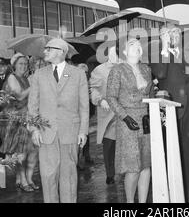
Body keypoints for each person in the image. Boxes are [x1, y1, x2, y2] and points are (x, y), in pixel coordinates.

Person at [151, 25, 189, 202]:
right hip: (170, 112)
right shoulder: (158, 55)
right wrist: (163, 47)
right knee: (171, 156)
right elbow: (160, 73)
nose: (173, 35)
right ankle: (172, 195)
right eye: (168, 33)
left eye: (176, 32)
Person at [28, 38, 89, 203]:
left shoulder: (78, 74)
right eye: (45, 49)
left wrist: (83, 131)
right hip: (46, 133)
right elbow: (32, 107)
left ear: (61, 51)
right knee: (48, 176)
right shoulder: (38, 75)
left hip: (70, 132)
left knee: (68, 176)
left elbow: (84, 106)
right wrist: (34, 129)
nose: (45, 51)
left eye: (49, 48)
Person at [106, 39, 153, 203]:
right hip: (128, 122)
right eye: (133, 46)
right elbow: (111, 97)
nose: (137, 49)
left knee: (146, 165)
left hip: (146, 120)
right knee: (133, 167)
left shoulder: (146, 69)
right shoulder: (117, 70)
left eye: (139, 47)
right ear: (125, 52)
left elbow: (151, 95)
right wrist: (125, 117)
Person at [0, 53, 39, 192]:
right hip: (14, 121)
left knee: (33, 151)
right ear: (14, 65)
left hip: (27, 118)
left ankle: (28, 178)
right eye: (20, 63)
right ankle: (23, 181)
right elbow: (20, 95)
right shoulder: (12, 78)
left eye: (25, 64)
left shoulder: (27, 79)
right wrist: (34, 84)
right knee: (21, 152)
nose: (23, 66)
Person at [90, 44, 118, 184]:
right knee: (109, 146)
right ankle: (110, 173)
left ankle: (124, 170)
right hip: (108, 113)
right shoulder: (99, 70)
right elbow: (93, 90)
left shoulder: (127, 67)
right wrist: (100, 100)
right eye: (113, 53)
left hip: (124, 112)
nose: (116, 56)